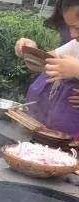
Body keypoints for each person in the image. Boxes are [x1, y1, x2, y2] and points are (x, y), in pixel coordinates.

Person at [15, 0, 79, 137]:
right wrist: (29, 50)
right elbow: (44, 62)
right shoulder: (75, 45)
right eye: (69, 27)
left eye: (77, 28)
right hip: (51, 120)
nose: (73, 34)